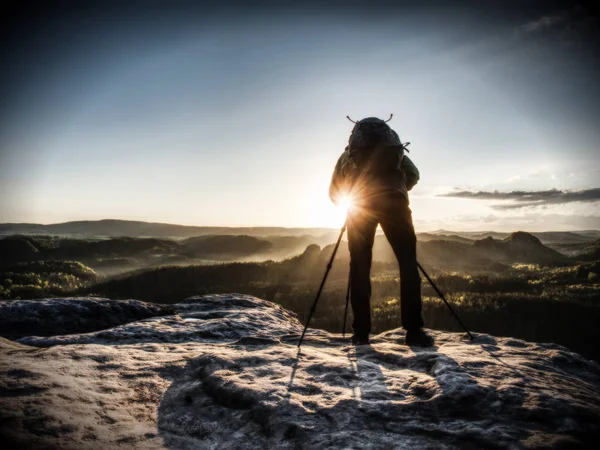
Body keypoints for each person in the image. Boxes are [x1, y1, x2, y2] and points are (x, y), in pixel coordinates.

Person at [329, 116, 434, 347]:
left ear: (355, 135)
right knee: (408, 265)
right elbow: (414, 174)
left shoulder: (348, 156)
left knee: (359, 267)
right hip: (395, 205)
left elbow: (334, 192)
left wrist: (352, 197)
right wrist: (397, 190)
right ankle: (414, 332)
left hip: (360, 208)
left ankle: (361, 334)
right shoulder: (395, 152)